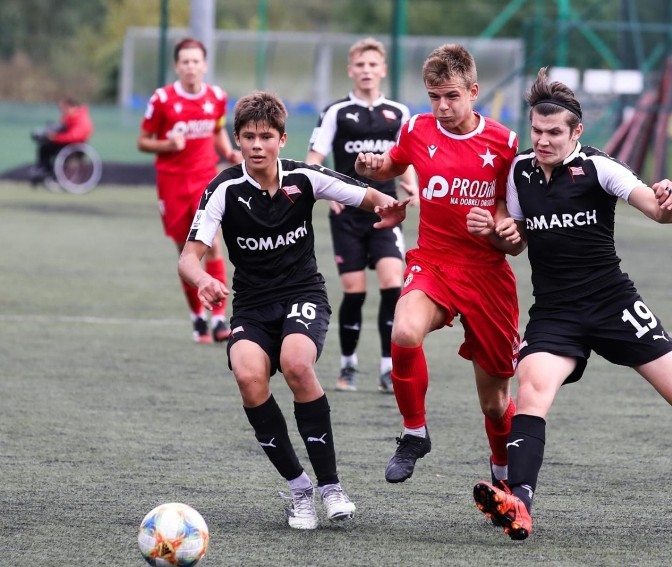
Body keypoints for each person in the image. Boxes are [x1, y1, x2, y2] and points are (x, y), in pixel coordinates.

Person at [467, 68, 672, 541]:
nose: (544, 140)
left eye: (554, 133)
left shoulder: (599, 167)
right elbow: (514, 243)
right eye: (537, 131)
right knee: (531, 393)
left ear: (576, 131)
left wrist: (668, 198)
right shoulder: (520, 171)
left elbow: (658, 211)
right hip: (555, 312)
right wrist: (501, 233)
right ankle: (520, 503)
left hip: (614, 303)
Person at [178, 91, 408, 529]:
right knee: (248, 376)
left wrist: (389, 208)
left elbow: (366, 195)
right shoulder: (224, 189)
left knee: (297, 364)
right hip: (251, 303)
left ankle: (331, 486)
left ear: (282, 139)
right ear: (238, 141)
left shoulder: (304, 178)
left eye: (266, 136)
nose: (257, 145)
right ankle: (300, 488)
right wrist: (204, 278)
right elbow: (188, 258)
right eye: (249, 137)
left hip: (303, 292)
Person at [354, 44, 520, 486]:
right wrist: (371, 167)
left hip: (487, 276)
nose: (442, 107)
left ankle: (504, 475)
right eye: (434, 97)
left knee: (495, 402)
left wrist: (499, 227)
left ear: (473, 91)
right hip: (434, 263)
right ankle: (414, 432)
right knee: (404, 330)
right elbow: (392, 163)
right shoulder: (416, 129)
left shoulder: (505, 144)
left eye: (451, 96)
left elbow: (513, 222)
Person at [306, 37, 419, 394]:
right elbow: (314, 162)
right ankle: (348, 365)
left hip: (386, 211)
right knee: (354, 291)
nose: (367, 71)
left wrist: (410, 186)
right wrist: (327, 192)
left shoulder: (399, 113)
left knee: (393, 284)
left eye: (373, 65)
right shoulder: (336, 112)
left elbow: (404, 160)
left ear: (383, 70)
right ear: (350, 70)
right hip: (348, 214)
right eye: (360, 65)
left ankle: (388, 366)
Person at [138, 37, 243, 344]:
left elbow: (217, 129)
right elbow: (143, 141)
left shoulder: (217, 97)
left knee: (212, 244)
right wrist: (167, 144)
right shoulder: (162, 100)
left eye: (196, 61)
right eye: (185, 61)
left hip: (204, 180)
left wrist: (229, 152)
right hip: (171, 183)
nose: (190, 67)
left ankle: (220, 318)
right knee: (185, 252)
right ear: (177, 66)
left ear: (205, 65)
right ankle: (198, 317)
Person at [30, 96, 94, 184]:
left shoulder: (82, 119)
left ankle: (54, 176)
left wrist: (56, 138)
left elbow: (74, 137)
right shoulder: (67, 118)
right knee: (44, 146)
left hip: (75, 146)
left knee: (51, 148)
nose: (62, 111)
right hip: (65, 143)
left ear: (71, 106)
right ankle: (44, 169)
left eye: (63, 108)